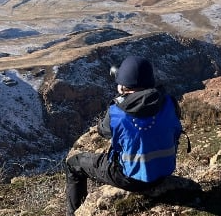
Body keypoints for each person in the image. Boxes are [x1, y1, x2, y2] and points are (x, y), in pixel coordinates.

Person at [64, 55, 183, 216]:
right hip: (163, 172)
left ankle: (73, 213)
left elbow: (103, 130)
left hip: (128, 179)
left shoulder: (117, 111)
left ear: (123, 86)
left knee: (74, 164)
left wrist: (121, 100)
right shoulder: (170, 102)